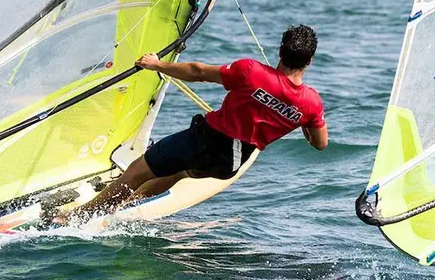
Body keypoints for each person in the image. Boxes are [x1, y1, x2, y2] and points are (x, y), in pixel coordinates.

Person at [53, 25, 327, 224]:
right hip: (230, 162)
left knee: (137, 172)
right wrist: (298, 118)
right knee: (179, 174)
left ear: (280, 51)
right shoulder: (311, 103)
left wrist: (156, 65)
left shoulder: (251, 71)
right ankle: (126, 205)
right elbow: (319, 144)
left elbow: (198, 72)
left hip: (204, 139)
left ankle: (78, 216)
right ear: (309, 61)